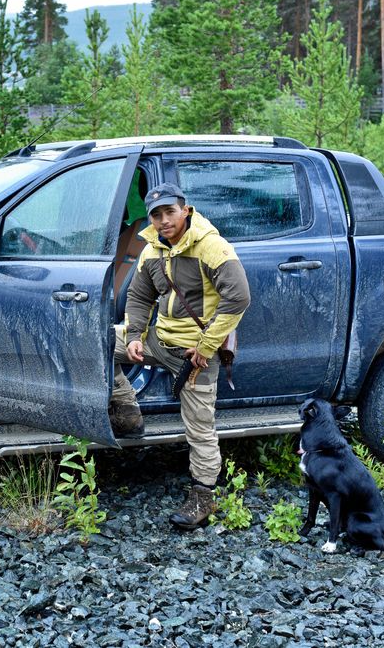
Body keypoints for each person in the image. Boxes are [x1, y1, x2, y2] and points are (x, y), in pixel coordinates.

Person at [109, 183, 251, 529]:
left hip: (197, 354)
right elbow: (139, 297)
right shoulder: (152, 249)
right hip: (160, 341)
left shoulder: (212, 246)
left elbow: (238, 297)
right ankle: (127, 411)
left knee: (199, 429)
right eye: (156, 214)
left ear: (185, 210)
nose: (163, 220)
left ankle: (203, 497)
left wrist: (206, 346)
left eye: (170, 212)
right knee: (99, 343)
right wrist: (134, 336)